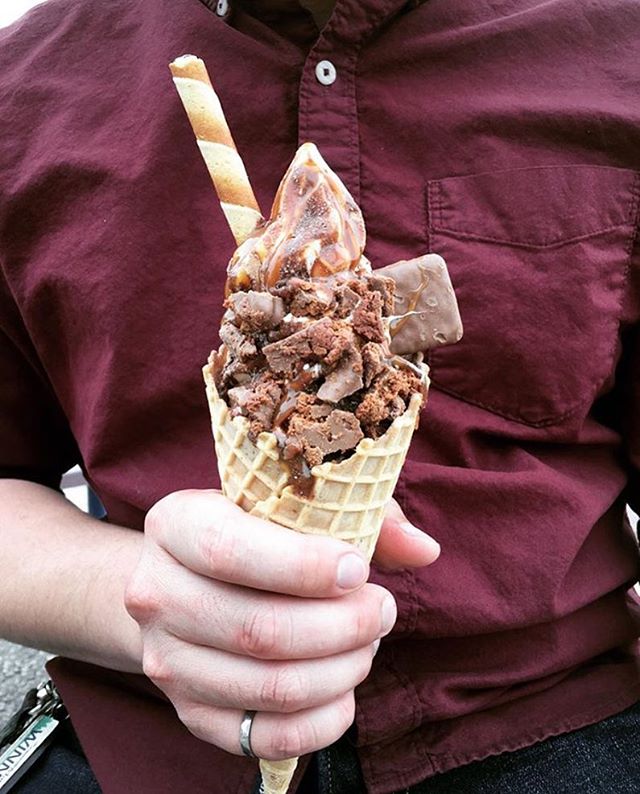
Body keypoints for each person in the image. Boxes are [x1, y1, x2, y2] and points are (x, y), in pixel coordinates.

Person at [0, 0, 639, 792]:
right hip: (144, 734)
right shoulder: (19, 92)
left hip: (550, 715)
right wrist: (126, 597)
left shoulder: (618, 48)